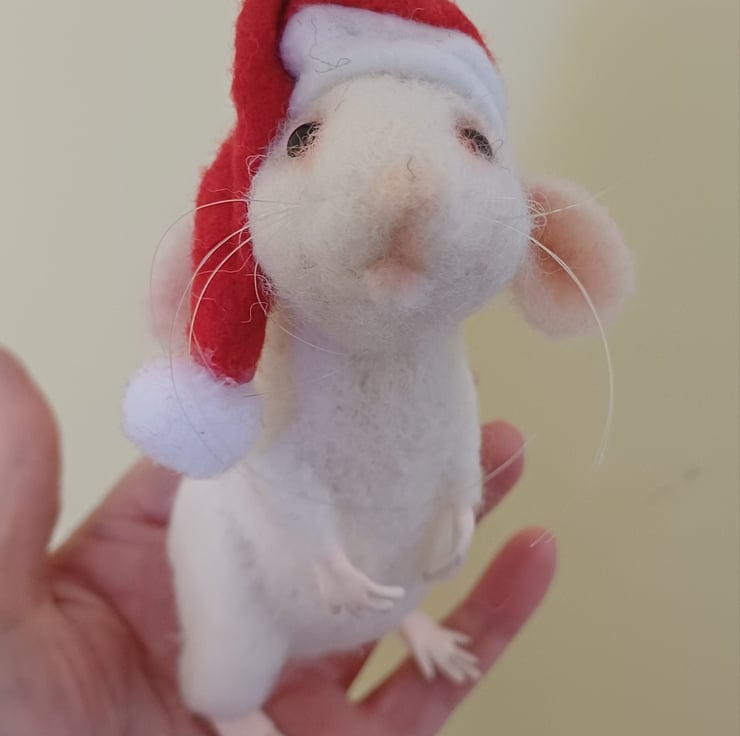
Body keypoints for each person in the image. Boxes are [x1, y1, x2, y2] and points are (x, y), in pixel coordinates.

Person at [0, 348, 556, 735]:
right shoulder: (288, 384)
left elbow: (453, 447)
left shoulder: (434, 372)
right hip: (264, 564)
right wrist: (324, 552)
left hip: (368, 576)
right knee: (233, 640)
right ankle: (227, 710)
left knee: (406, 541)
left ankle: (401, 615)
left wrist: (457, 505)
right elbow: (283, 478)